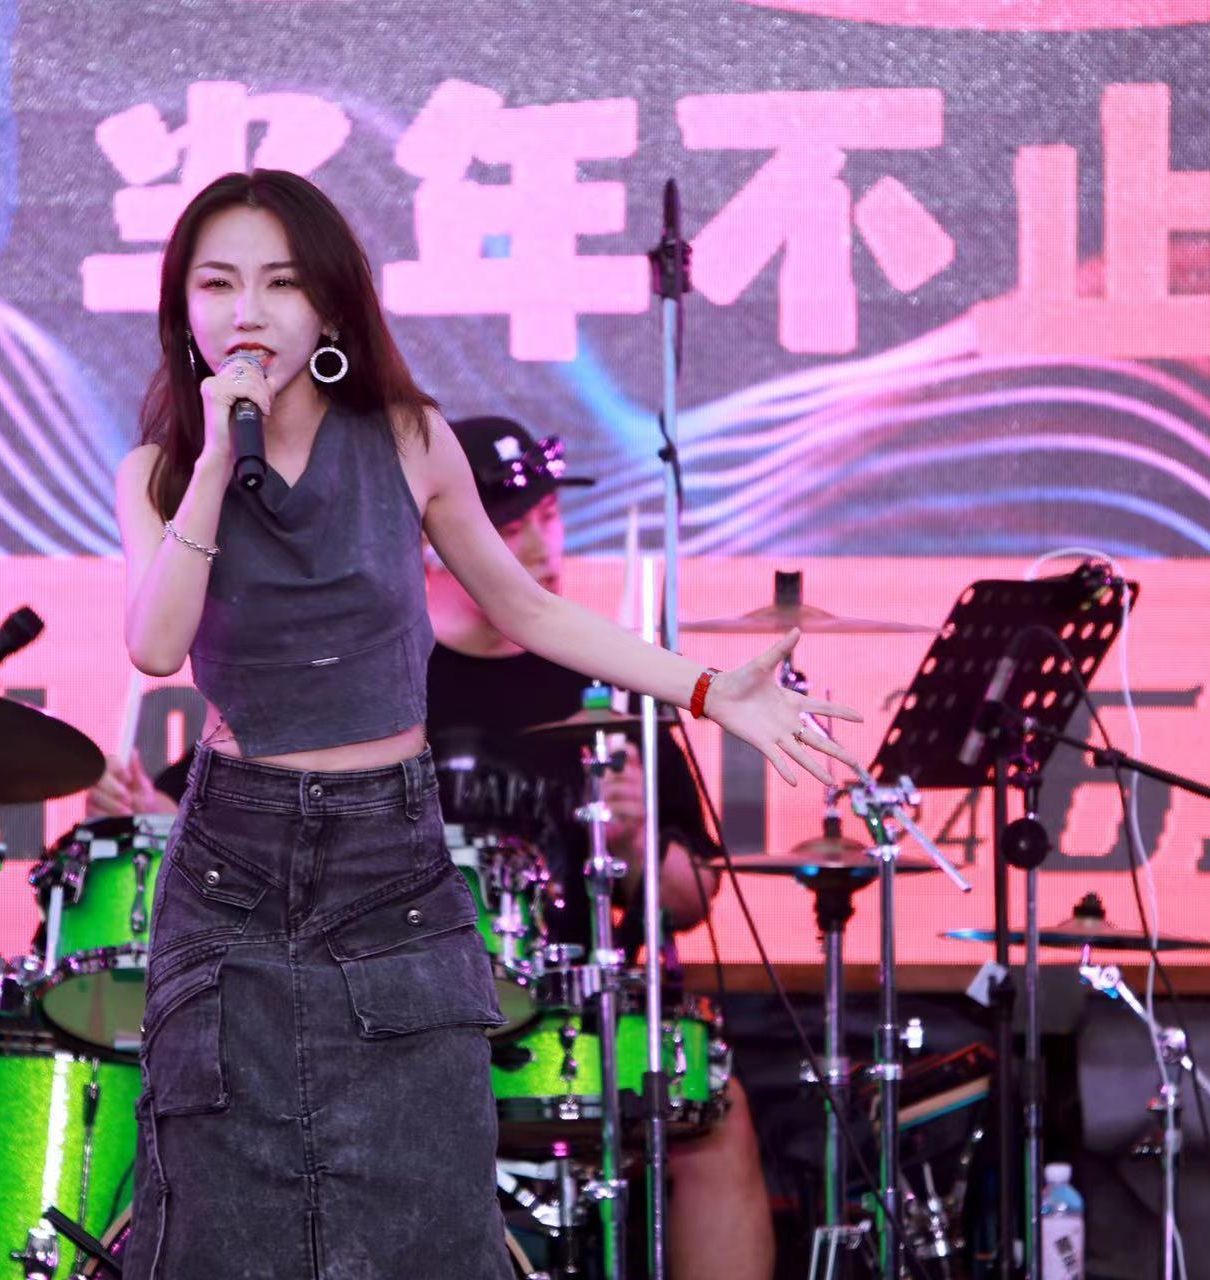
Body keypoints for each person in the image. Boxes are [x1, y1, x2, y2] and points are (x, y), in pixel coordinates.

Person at [112, 168, 859, 1280]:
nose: (248, 311)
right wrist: (218, 461)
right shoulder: (162, 472)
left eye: (280, 282)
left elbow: (528, 608)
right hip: (234, 866)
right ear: (183, 309)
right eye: (217, 284)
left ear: (330, 305)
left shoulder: (408, 437)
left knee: (426, 1213)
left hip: (387, 860)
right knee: (224, 1228)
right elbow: (155, 643)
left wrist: (709, 688)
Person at [98, 415, 778, 1279]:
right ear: (430, 530)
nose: (538, 543)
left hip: (551, 1021)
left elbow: (691, 897)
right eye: (511, 522)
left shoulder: (607, 687)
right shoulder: (376, 657)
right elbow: (223, 794)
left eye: (549, 516)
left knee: (715, 1113)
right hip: (358, 989)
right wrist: (149, 814)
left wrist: (642, 834)